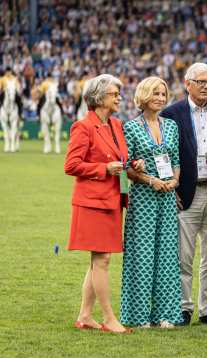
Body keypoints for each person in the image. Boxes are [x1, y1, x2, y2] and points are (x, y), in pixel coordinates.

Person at [64, 74, 144, 334]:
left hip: (111, 200)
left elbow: (120, 157)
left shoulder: (115, 124)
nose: (119, 97)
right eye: (114, 94)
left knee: (99, 260)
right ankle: (109, 319)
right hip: (92, 203)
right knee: (102, 260)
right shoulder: (82, 127)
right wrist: (103, 169)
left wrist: (132, 164)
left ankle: (85, 315)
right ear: (98, 98)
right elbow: (71, 165)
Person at [159, 62, 207, 326]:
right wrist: (171, 185)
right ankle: (183, 307)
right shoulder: (171, 113)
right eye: (201, 82)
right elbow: (161, 153)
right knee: (183, 257)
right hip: (185, 193)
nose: (206, 86)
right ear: (187, 84)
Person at [120, 76, 183, 328]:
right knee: (142, 256)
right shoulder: (131, 127)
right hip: (143, 199)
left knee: (167, 255)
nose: (160, 97)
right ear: (144, 96)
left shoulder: (171, 126)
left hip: (167, 197)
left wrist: (175, 181)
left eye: (163, 93)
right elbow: (128, 167)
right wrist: (149, 180)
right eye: (155, 93)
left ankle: (165, 315)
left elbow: (176, 159)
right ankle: (138, 317)